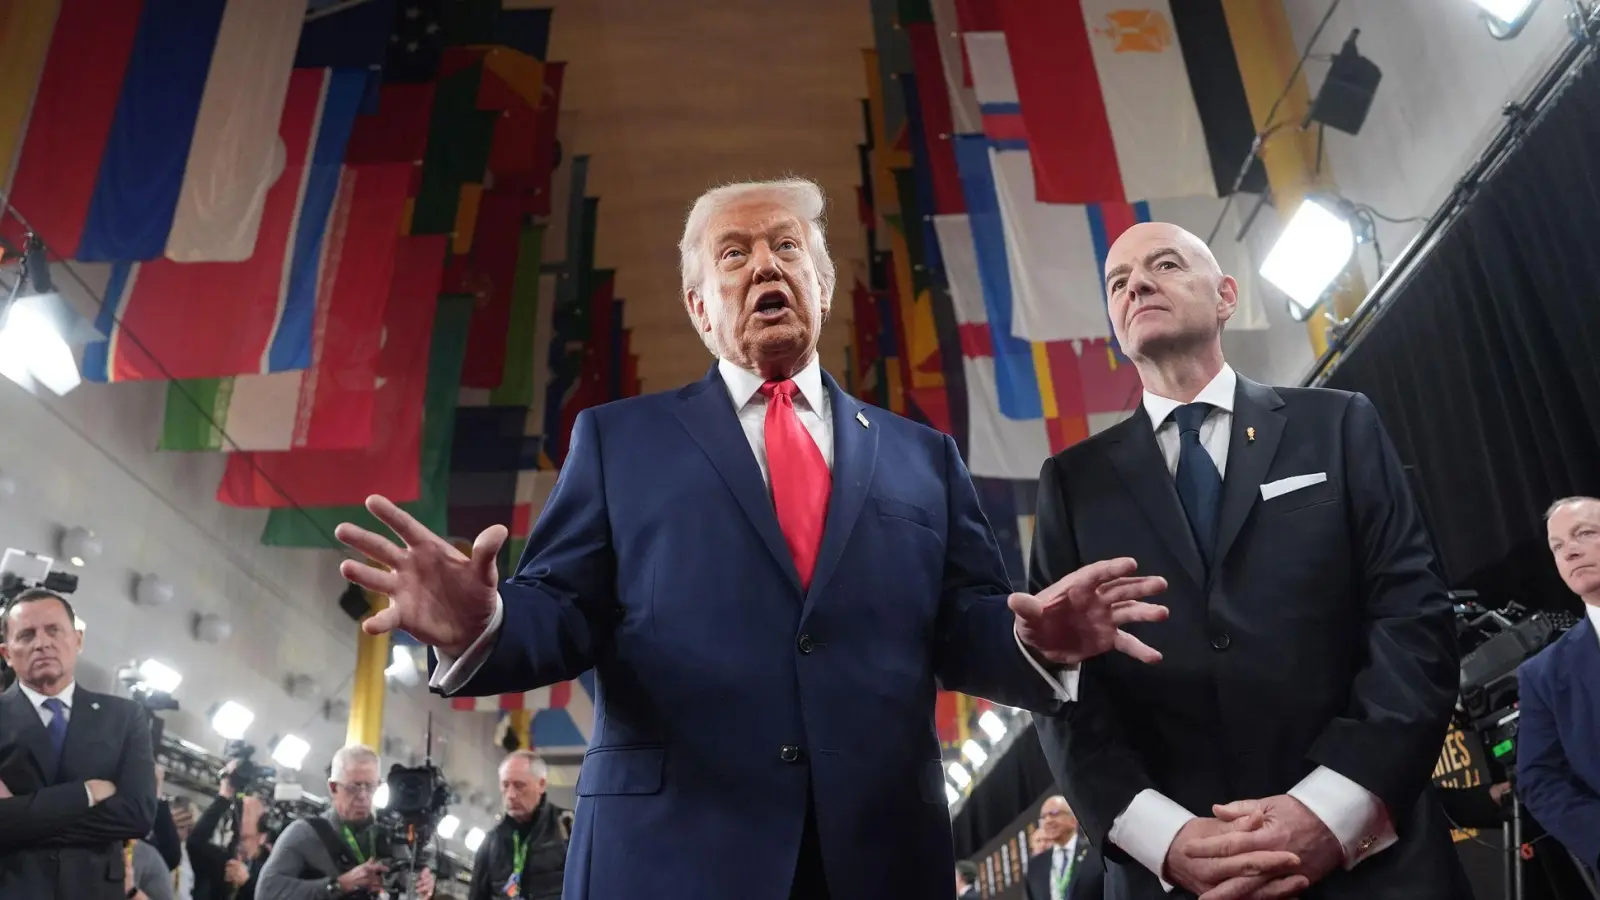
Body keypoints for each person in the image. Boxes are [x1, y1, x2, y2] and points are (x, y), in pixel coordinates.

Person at [334, 177, 1169, 899]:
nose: (766, 264)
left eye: (786, 246)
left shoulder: (924, 456)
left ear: (823, 283)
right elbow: (561, 610)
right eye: (733, 254)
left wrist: (1037, 642)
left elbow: (965, 621)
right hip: (672, 853)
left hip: (877, 854)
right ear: (700, 308)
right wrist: (485, 622)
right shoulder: (618, 442)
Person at [1028, 222, 1467, 900]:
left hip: (1372, 867)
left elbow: (1413, 619)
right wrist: (1166, 838)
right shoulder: (1071, 483)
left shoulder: (1338, 425)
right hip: (1180, 879)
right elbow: (1063, 694)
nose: (1136, 284)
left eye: (1164, 264)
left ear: (1226, 295)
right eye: (1118, 282)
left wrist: (1332, 810)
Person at [0, 588, 159, 899]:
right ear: (6, 653)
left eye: (54, 630)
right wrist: (85, 793)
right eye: (27, 635)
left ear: (78, 640)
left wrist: (20, 820)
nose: (42, 643)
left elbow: (138, 814)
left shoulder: (124, 717)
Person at [1516, 495, 1600, 872]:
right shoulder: (1542, 674)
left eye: (1584, 534)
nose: (1570, 553)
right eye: (1558, 546)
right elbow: (1540, 779)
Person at [255, 744, 434, 900]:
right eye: (353, 787)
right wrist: (339, 885)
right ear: (333, 787)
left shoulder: (388, 838)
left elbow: (410, 889)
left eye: (371, 787)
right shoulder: (305, 833)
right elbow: (267, 893)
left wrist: (424, 885)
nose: (363, 797)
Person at [468, 750, 568, 900]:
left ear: (541, 784)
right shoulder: (491, 843)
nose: (511, 795)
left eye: (519, 785)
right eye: (505, 785)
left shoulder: (568, 830)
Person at [1025, 796, 1101, 900]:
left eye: (1054, 814)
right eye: (1043, 817)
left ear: (1073, 819)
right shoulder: (1036, 865)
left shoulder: (1095, 853)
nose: (1048, 821)